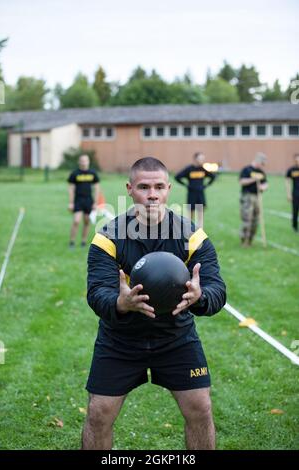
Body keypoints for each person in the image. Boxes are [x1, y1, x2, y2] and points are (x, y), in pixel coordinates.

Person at [82, 156, 226, 450]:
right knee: (99, 413)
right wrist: (120, 303)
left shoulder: (192, 237)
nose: (152, 194)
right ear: (130, 189)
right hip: (120, 339)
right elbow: (97, 292)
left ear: (169, 189)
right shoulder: (108, 238)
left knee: (200, 407)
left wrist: (201, 298)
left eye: (159, 186)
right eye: (144, 187)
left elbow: (217, 289)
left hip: (176, 336)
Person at [67, 154, 100, 247]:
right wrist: (71, 202)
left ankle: (83, 241)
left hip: (89, 200)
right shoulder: (75, 174)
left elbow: (97, 188)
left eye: (85, 160)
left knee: (86, 221)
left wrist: (95, 202)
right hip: (78, 200)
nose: (84, 162)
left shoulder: (92, 173)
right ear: (79, 162)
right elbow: (71, 189)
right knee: (76, 221)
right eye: (82, 161)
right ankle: (72, 242)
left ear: (88, 162)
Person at [175, 152, 216, 224]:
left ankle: (199, 233)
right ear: (195, 159)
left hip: (200, 194)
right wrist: (186, 185)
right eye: (200, 159)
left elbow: (213, 177)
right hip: (191, 194)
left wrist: (206, 185)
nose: (202, 160)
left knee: (200, 216)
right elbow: (177, 177)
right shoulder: (189, 169)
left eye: (203, 159)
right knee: (189, 216)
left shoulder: (203, 169)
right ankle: (189, 233)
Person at [239, 152, 268, 247]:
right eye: (262, 163)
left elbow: (265, 183)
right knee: (247, 219)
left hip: (257, 197)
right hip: (247, 197)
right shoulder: (246, 170)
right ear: (257, 160)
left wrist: (263, 187)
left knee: (256, 220)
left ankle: (250, 240)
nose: (262, 165)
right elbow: (241, 181)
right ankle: (244, 240)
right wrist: (253, 180)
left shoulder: (261, 172)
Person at [285, 153, 299, 232]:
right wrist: (288, 194)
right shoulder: (291, 170)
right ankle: (295, 227)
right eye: (296, 159)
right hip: (296, 193)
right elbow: (287, 182)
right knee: (295, 211)